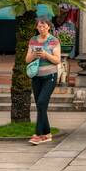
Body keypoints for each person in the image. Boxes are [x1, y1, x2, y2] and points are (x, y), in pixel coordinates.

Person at [25, 16, 62, 145]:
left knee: (41, 102)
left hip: (50, 76)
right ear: (37, 27)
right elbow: (27, 60)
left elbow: (57, 60)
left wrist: (46, 55)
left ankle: (38, 134)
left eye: (44, 26)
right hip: (36, 76)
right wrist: (34, 54)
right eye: (39, 26)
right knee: (41, 106)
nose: (41, 29)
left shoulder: (54, 41)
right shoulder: (33, 40)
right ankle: (47, 134)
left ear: (49, 27)